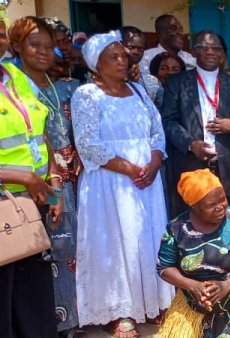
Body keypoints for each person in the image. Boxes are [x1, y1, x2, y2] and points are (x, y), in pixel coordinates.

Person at [72, 30, 173, 337]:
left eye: (122, 55)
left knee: (147, 238)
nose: (121, 60)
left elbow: (157, 131)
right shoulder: (86, 95)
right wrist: (130, 168)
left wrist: (155, 161)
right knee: (114, 244)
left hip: (146, 181)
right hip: (110, 182)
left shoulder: (139, 91)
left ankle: (153, 302)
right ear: (95, 64)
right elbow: (88, 145)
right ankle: (119, 311)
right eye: (112, 57)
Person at [10, 16, 84, 336]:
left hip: (67, 178)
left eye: (48, 46)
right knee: (45, 247)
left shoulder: (57, 83)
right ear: (17, 47)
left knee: (68, 243)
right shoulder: (14, 86)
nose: (43, 52)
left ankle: (72, 317)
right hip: (35, 183)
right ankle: (53, 320)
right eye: (33, 45)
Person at [0, 26, 61, 338]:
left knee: (33, 298)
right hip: (4, 204)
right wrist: (20, 176)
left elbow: (40, 136)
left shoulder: (15, 76)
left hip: (31, 204)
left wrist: (54, 183)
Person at [162, 30, 230, 218]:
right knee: (190, 218)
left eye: (216, 48)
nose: (211, 51)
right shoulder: (177, 83)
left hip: (227, 167)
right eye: (204, 47)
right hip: (191, 164)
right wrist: (191, 144)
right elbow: (167, 121)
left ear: (222, 53)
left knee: (229, 219)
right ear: (193, 52)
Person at [157, 169, 230, 337]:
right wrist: (193, 286)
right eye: (211, 205)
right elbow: (164, 267)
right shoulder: (176, 228)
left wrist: (227, 285)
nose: (221, 207)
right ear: (194, 205)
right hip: (193, 305)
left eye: (223, 199)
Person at [121, 26, 163, 105]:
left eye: (141, 49)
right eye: (131, 47)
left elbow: (162, 113)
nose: (136, 52)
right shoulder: (103, 81)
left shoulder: (152, 82)